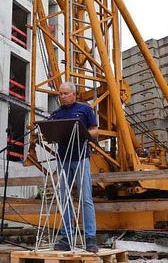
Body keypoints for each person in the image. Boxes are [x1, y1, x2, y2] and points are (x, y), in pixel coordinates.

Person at [51, 81, 99, 253]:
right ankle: (67, 237)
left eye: (65, 93)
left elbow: (95, 131)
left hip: (80, 159)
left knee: (86, 197)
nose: (62, 97)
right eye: (60, 94)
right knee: (65, 199)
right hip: (63, 160)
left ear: (73, 94)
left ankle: (90, 237)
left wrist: (84, 134)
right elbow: (50, 132)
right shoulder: (56, 114)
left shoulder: (85, 109)